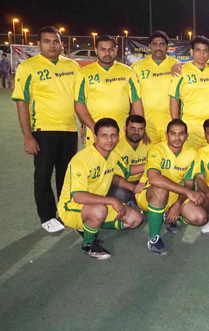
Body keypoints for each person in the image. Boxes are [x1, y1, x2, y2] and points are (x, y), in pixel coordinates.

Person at [12, 26, 80, 233]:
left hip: (69, 130)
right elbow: (22, 102)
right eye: (47, 41)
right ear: (39, 44)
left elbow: (80, 99)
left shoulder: (73, 66)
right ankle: (47, 216)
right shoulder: (28, 67)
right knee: (43, 175)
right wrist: (28, 135)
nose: (52, 45)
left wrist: (85, 124)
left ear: (61, 44)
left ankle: (66, 212)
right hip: (43, 130)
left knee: (66, 176)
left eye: (56, 41)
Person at [57, 118, 143, 259]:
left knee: (135, 219)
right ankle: (88, 245)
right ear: (95, 137)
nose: (109, 140)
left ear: (118, 137)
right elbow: (78, 196)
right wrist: (112, 201)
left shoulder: (113, 155)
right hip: (71, 207)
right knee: (100, 210)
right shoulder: (82, 160)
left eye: (113, 135)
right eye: (104, 135)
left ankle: (87, 226)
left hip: (98, 203)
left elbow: (123, 173)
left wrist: (133, 185)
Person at [134, 119, 206, 256]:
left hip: (174, 193)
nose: (177, 137)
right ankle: (153, 239)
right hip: (148, 193)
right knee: (160, 190)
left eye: (181, 134)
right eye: (173, 133)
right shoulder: (157, 149)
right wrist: (187, 192)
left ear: (186, 136)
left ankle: (166, 215)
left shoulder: (192, 153)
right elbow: (154, 179)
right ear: (167, 135)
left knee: (200, 217)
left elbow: (189, 183)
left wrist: (177, 204)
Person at [74, 35, 143, 147]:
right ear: (96, 50)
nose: (107, 53)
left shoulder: (128, 72)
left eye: (111, 49)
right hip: (95, 133)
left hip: (122, 134)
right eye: (103, 49)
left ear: (116, 50)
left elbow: (136, 101)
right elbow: (79, 104)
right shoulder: (84, 73)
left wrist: (138, 128)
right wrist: (94, 128)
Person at [169, 35, 209, 149]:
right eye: (198, 50)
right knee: (190, 157)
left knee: (208, 158)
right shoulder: (181, 71)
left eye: (205, 51)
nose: (201, 54)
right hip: (190, 126)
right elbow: (173, 98)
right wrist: (177, 125)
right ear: (192, 52)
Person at [131, 31, 179, 143]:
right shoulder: (137, 67)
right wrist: (139, 126)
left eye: (162, 44)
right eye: (155, 44)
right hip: (148, 126)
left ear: (167, 47)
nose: (158, 48)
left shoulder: (176, 65)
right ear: (150, 46)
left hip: (170, 124)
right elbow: (134, 98)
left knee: (169, 154)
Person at [110, 115, 151, 204]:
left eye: (140, 129)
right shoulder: (115, 146)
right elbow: (115, 176)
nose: (136, 132)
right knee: (121, 194)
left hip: (141, 181)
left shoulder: (148, 144)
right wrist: (149, 164)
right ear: (125, 129)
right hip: (121, 183)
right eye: (132, 128)